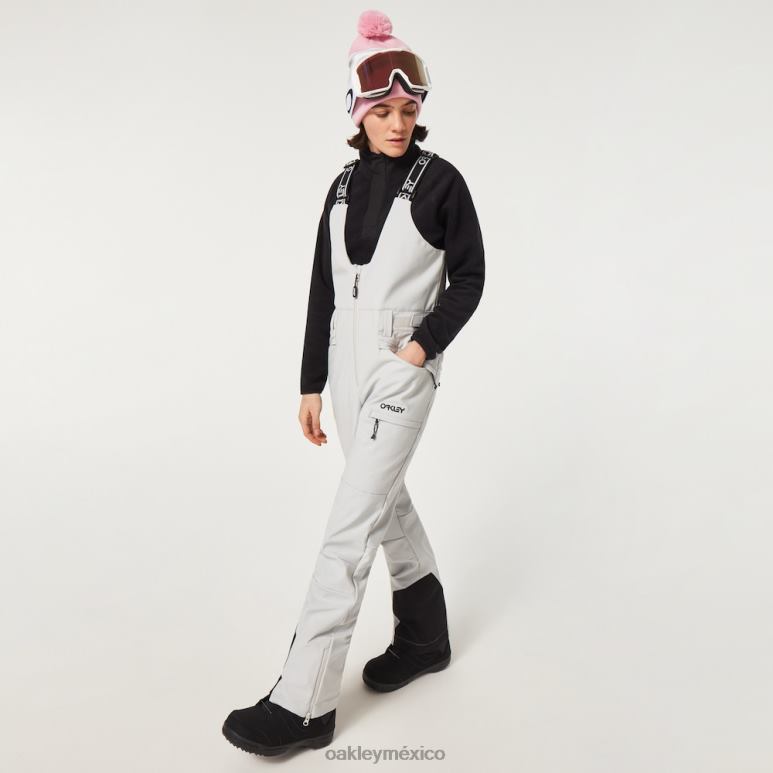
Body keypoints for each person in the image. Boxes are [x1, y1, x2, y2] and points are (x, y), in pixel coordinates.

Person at [222, 10, 485, 757]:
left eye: (408, 109)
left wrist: (421, 346)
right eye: (383, 110)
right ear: (357, 113)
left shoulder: (442, 183)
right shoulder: (339, 188)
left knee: (349, 525)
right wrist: (310, 381)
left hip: (403, 369)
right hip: (343, 366)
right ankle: (426, 636)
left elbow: (470, 277)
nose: (398, 123)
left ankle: (304, 701)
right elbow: (322, 290)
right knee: (381, 498)